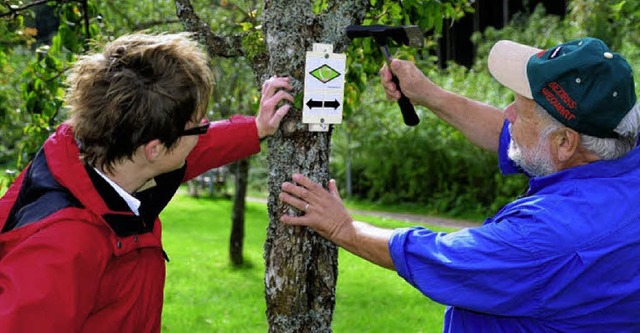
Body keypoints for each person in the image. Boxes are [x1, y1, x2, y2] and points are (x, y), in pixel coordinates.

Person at [279, 37, 640, 332]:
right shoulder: (615, 154)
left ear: (565, 142)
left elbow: (438, 257)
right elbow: (515, 136)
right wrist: (427, 93)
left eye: (519, 108)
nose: (508, 114)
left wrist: (344, 227)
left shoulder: (547, 235)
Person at [0, 32, 293, 332]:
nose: (205, 129)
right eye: (198, 126)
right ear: (154, 149)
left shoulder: (104, 152)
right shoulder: (64, 247)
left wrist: (254, 128)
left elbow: (192, 150)